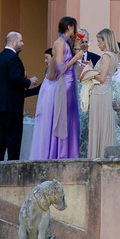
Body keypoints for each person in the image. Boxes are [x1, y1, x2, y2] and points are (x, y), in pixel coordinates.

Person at [41, 18, 83, 159]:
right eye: (74, 27)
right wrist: (76, 58)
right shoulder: (59, 43)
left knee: (71, 118)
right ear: (70, 27)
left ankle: (70, 152)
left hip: (70, 83)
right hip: (64, 84)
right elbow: (60, 67)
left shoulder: (65, 43)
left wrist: (77, 47)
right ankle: (61, 153)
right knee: (63, 118)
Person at [0, 33, 31, 161]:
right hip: (12, 104)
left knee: (1, 135)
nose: (22, 43)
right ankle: (13, 163)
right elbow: (14, 78)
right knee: (14, 137)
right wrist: (28, 81)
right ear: (13, 42)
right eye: (21, 41)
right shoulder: (13, 58)